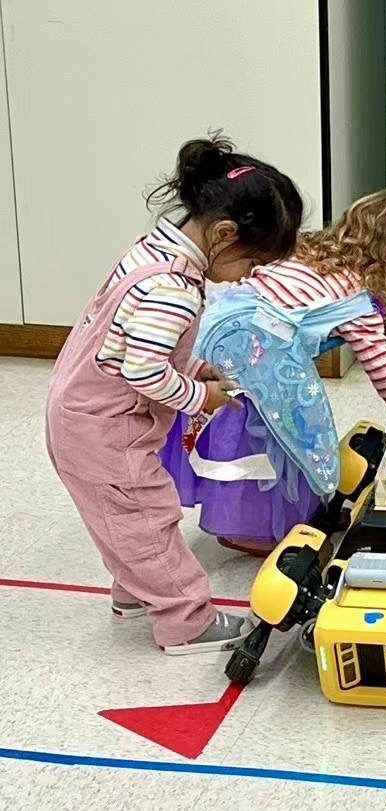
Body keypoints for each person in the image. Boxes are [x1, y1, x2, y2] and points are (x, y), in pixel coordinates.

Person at [45, 136, 304, 654]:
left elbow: (130, 340)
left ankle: (136, 593)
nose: (247, 278)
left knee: (120, 517)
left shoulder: (151, 251)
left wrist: (191, 365)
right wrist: (197, 396)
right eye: (250, 266)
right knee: (147, 517)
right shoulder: (176, 289)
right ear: (225, 235)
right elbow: (142, 371)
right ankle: (185, 620)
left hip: (77, 413)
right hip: (106, 428)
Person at [162, 191, 386, 556]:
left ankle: (248, 516)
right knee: (293, 435)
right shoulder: (357, 302)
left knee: (245, 427)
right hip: (258, 350)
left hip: (214, 330)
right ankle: (253, 528)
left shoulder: (306, 254)